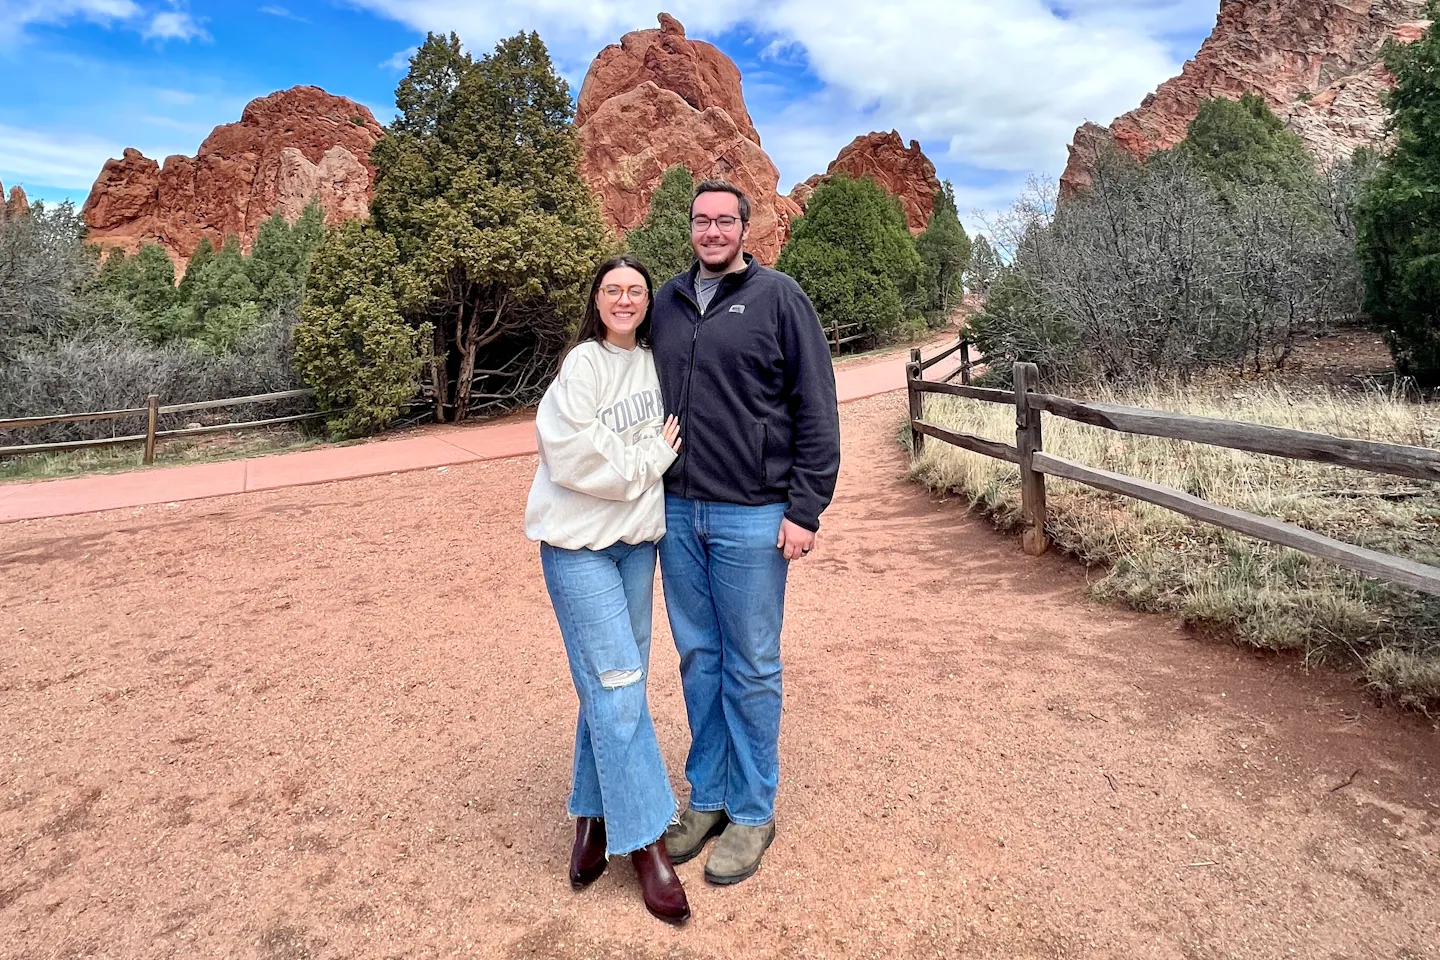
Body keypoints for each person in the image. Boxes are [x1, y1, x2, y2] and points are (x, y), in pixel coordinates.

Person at [651, 180, 841, 885]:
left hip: (754, 513)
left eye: (723, 220)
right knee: (700, 657)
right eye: (700, 220)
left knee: (753, 663)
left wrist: (805, 508)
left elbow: (815, 406)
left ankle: (755, 810)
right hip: (677, 510)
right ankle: (709, 799)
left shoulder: (779, 298)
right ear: (690, 227)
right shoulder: (666, 304)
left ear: (744, 226)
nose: (711, 231)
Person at [524, 254, 690, 924]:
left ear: (648, 303)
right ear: (595, 299)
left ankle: (590, 817)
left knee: (615, 687)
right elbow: (572, 456)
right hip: (578, 550)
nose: (625, 299)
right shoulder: (583, 365)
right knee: (619, 690)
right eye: (613, 290)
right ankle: (647, 842)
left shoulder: (653, 364)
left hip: (635, 549)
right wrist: (650, 457)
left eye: (636, 291)